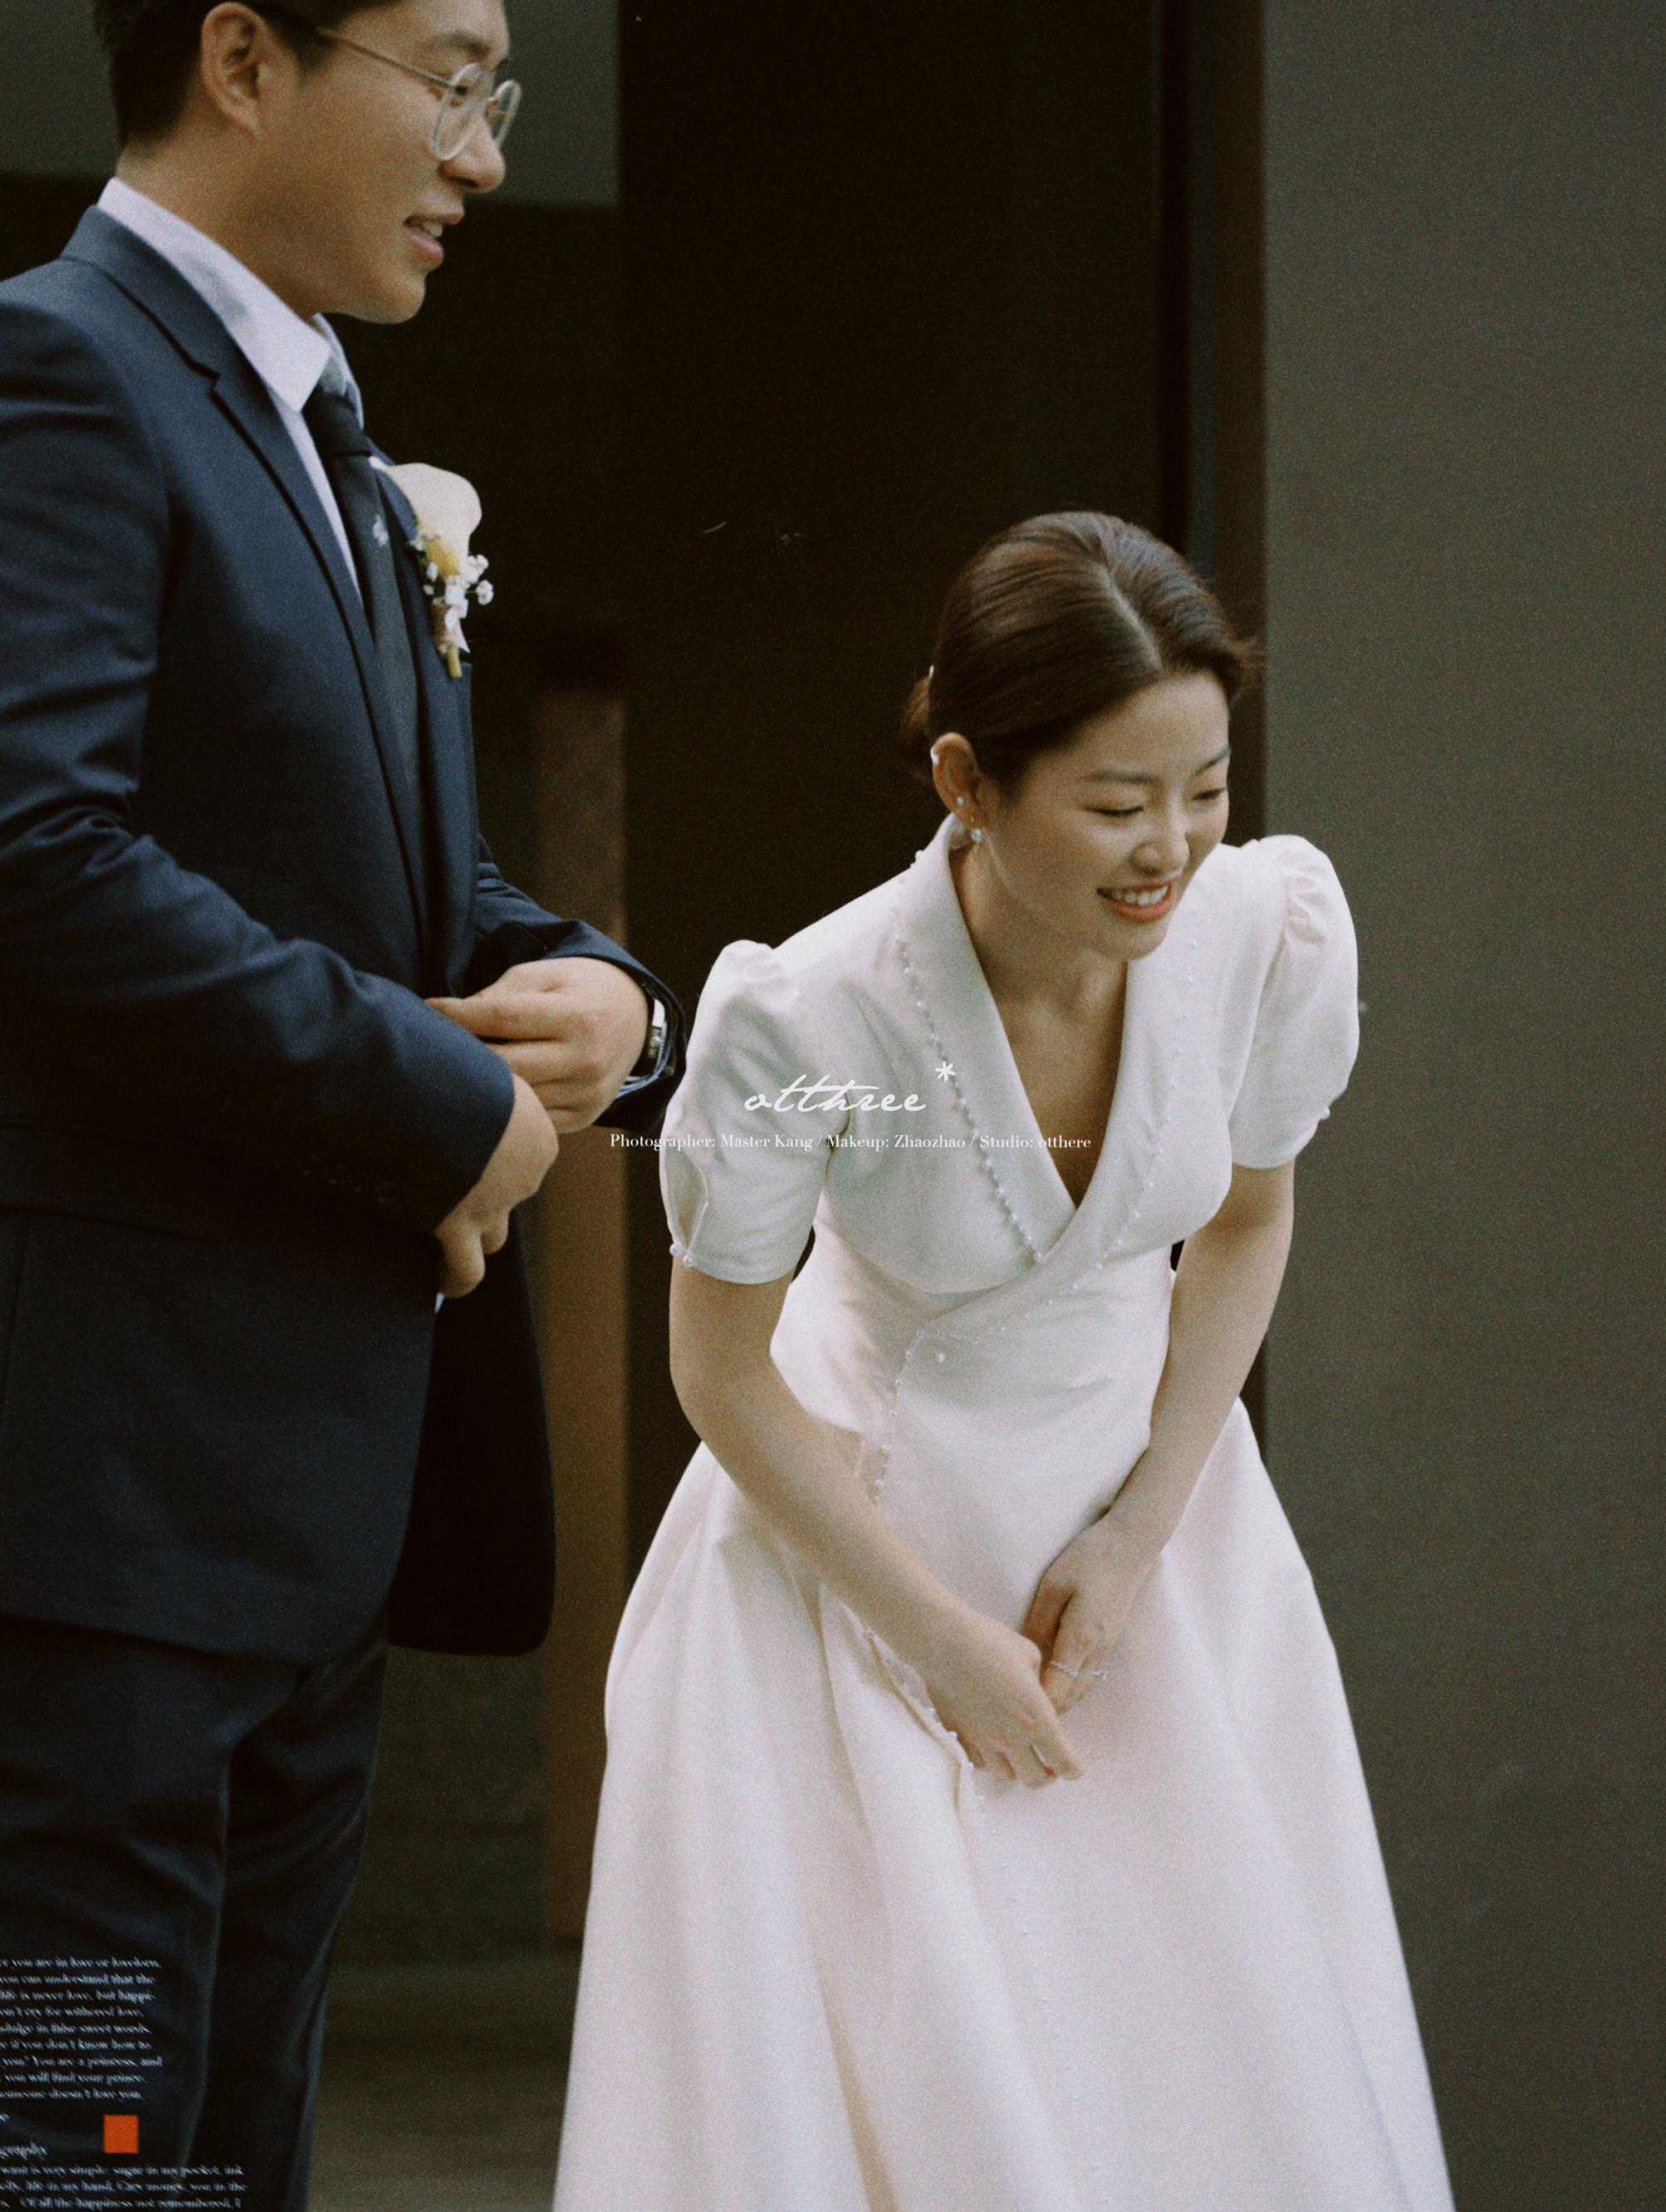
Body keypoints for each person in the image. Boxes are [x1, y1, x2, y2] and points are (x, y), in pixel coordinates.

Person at [556, 513, 1454, 2211]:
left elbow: (1246, 1219)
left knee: (1201, 2053)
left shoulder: (1260, 932)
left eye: (1205, 789)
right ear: (965, 778)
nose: (1170, 848)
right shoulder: (814, 1012)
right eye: (1116, 805)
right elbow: (721, 1374)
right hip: (853, 1557)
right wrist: (938, 1643)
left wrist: (1139, 1530)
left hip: (1158, 1534)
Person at [0, 4, 679, 2206]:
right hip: (105, 1502)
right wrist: (435, 1106)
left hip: (308, 1504)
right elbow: (34, 852)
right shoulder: (59, 369)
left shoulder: (335, 437)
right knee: (81, 2143)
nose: (485, 152)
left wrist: (601, 997)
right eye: (456, 78)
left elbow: (403, 887)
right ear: (241, 54)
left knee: (232, 2146)